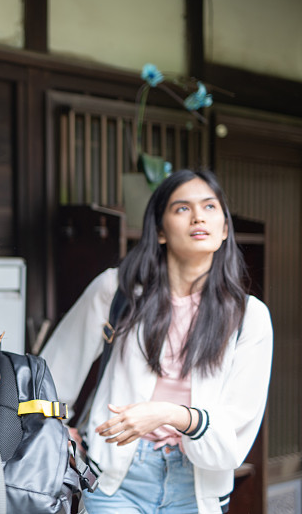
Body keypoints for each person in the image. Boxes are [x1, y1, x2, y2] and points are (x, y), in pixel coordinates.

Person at [41, 169, 272, 513]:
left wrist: (168, 414)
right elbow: (54, 372)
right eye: (182, 208)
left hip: (197, 486)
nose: (198, 216)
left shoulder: (249, 317)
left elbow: (234, 435)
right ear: (160, 231)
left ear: (224, 228)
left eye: (210, 207)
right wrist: (59, 433)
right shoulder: (116, 292)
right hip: (115, 477)